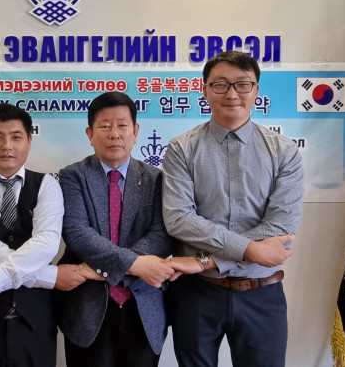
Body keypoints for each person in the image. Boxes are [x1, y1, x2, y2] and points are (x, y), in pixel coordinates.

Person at [162, 50, 304, 367]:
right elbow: (179, 219)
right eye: (220, 84)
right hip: (198, 293)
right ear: (205, 90)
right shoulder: (182, 149)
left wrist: (206, 260)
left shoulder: (284, 152)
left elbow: (281, 228)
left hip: (261, 293)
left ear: (256, 90)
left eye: (242, 84)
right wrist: (252, 249)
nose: (232, 94)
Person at [56, 91, 200, 367]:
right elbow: (77, 233)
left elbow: (162, 235)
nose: (114, 134)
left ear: (135, 132)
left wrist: (119, 267)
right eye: (105, 126)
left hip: (143, 303)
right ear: (90, 134)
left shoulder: (157, 179)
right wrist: (136, 264)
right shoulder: (73, 176)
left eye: (122, 125)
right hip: (88, 306)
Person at [0, 103, 87, 367]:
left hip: (36, 326)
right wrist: (51, 277)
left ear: (29, 142)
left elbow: (46, 245)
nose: (7, 146)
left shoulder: (47, 185)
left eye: (16, 137)